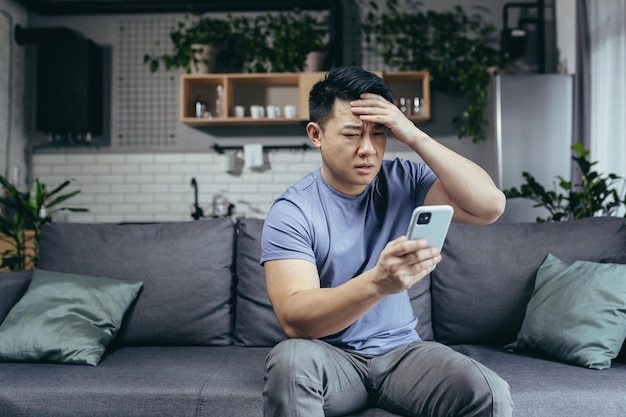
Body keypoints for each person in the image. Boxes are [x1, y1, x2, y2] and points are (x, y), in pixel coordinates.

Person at [260, 66, 513, 417]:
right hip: (330, 359)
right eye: (351, 134)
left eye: (379, 134)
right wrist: (378, 283)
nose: (367, 149)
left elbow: (490, 207)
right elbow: (295, 319)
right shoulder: (293, 211)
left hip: (402, 354)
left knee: (488, 392)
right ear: (316, 134)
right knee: (290, 360)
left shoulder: (405, 178)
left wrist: (414, 136)